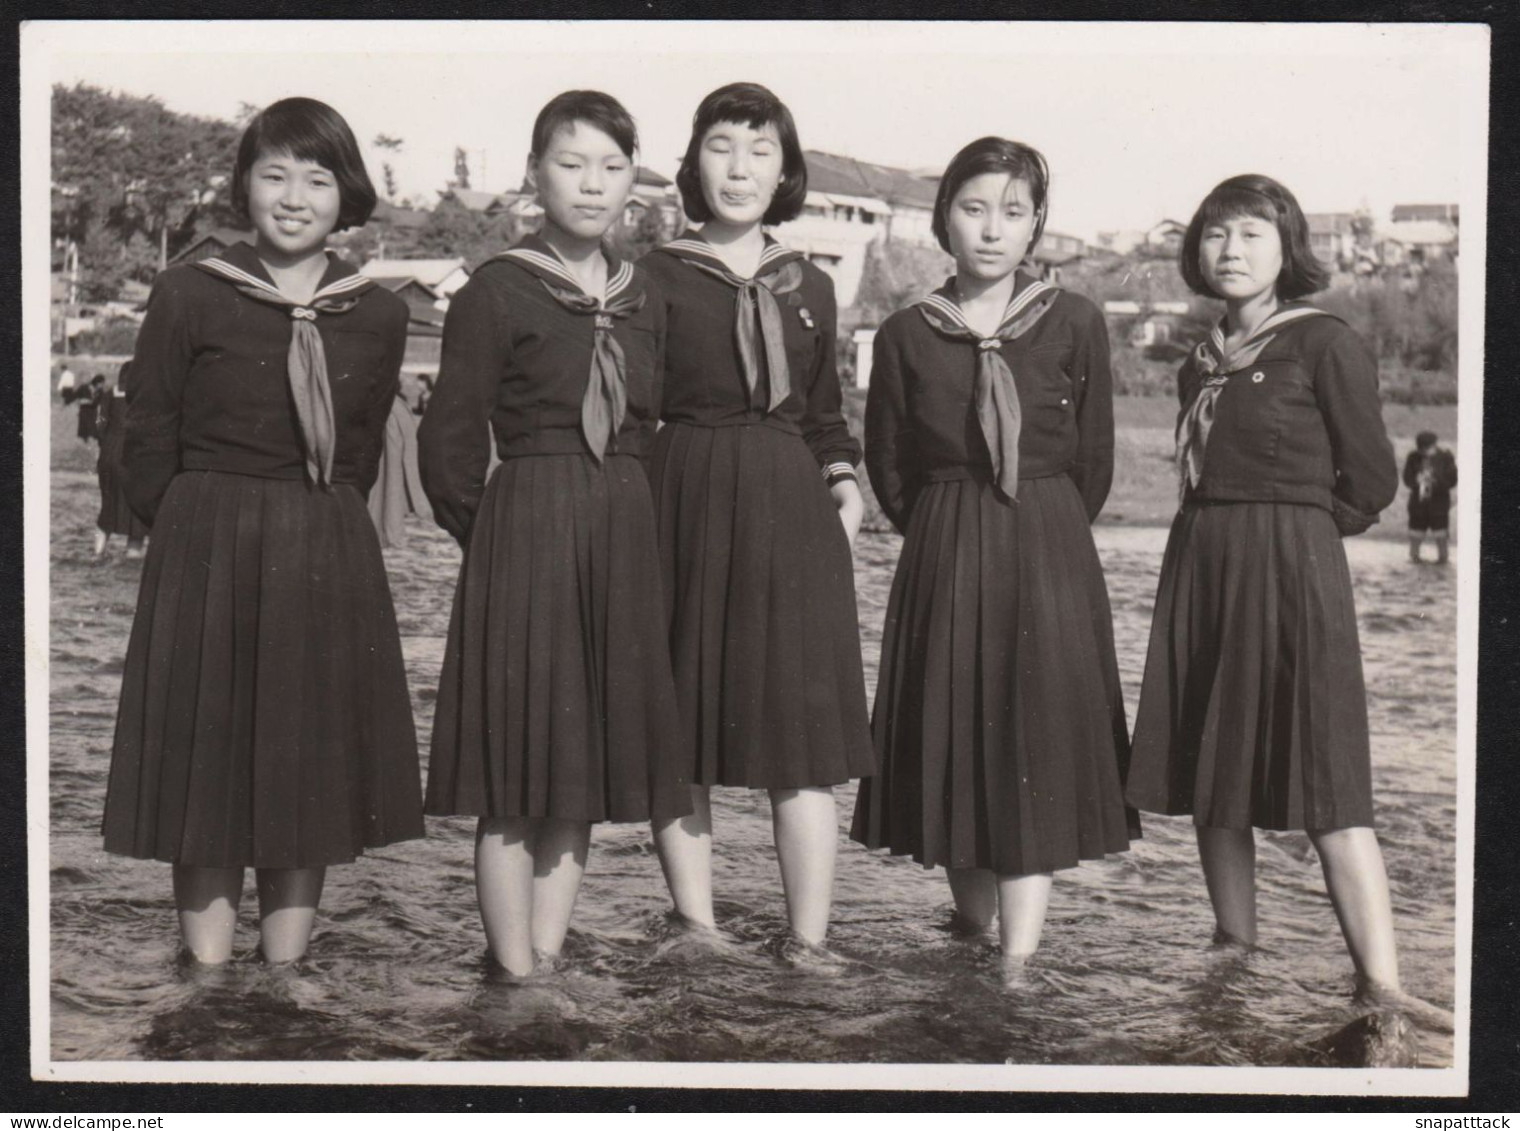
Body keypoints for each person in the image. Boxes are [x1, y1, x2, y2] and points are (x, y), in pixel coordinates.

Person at [103, 97, 424, 965]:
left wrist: (312, 522)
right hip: (206, 540)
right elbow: (149, 435)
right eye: (274, 173)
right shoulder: (188, 291)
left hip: (323, 547)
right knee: (205, 764)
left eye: (317, 178)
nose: (294, 196)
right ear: (244, 184)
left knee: (305, 764)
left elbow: (355, 450)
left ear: (345, 193)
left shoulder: (381, 313)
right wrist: (189, 532)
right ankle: (203, 969)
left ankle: (287, 970)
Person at [418, 91, 690, 977]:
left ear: (633, 185)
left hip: (620, 541)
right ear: (535, 174)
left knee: (578, 769)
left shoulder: (645, 294)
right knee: (511, 780)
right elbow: (449, 446)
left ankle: (545, 956)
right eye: (572, 164)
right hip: (525, 537)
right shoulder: (497, 289)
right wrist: (500, 538)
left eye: (613, 167)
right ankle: (510, 972)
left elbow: (653, 425)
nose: (592, 184)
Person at [848, 137, 1134, 967]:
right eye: (974, 209)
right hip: (943, 545)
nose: (992, 229)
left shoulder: (1074, 320)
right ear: (945, 219)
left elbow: (1096, 460)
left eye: (1013, 212)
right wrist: (948, 527)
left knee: (1032, 740)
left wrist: (1039, 530)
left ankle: (1018, 961)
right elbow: (890, 465)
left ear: (1037, 223)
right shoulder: (907, 333)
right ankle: (973, 938)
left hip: (1046, 542)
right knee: (956, 735)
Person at [1126, 174, 1407, 999]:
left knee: (1327, 780)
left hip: (1293, 574)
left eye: (1251, 234)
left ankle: (1382, 983)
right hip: (1202, 566)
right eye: (1216, 235)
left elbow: (1374, 481)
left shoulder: (1323, 342)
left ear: (1288, 249)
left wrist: (1299, 538)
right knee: (1215, 769)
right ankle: (1233, 945)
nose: (1231, 251)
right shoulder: (1199, 361)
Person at [641, 82, 873, 952]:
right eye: (722, 146)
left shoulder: (810, 281)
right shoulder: (653, 277)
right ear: (695, 161)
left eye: (761, 149)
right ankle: (696, 923)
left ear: (786, 169)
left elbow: (823, 412)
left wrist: (843, 486)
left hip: (790, 511)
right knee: (681, 724)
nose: (740, 168)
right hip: (684, 497)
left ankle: (808, 941)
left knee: (803, 735)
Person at [93, 364, 149, 558]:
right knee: (137, 512)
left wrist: (106, 444)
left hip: (108, 454)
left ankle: (97, 553)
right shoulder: (143, 398)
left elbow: (99, 425)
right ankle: (132, 556)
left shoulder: (108, 394)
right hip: (133, 456)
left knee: (108, 506)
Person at [1404, 430, 1457, 563]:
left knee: (1440, 532)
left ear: (1434, 445)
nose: (1423, 451)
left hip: (1439, 502)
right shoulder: (1413, 457)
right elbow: (1407, 478)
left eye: (1426, 448)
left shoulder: (1446, 457)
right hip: (1418, 502)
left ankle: (1443, 558)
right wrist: (1417, 480)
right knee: (1416, 531)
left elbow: (1452, 480)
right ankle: (1414, 557)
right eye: (1421, 448)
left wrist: (1436, 480)